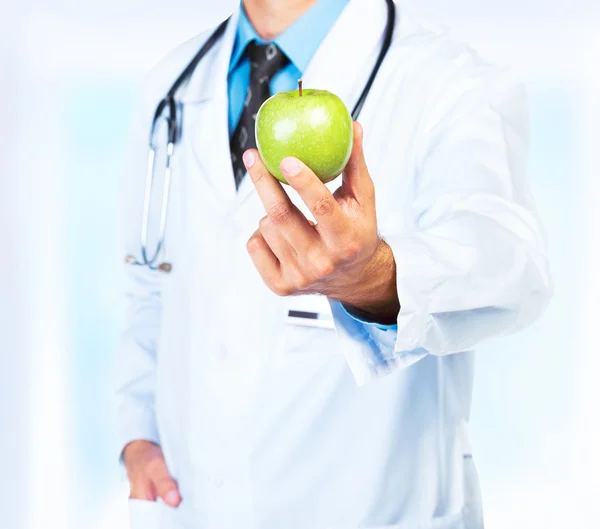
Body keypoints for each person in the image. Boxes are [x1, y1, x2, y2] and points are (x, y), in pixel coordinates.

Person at [116, 0, 552, 528]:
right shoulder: (172, 81)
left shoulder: (451, 80)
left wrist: (372, 278)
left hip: (376, 507)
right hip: (192, 504)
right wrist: (137, 433)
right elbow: (149, 279)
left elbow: (510, 262)